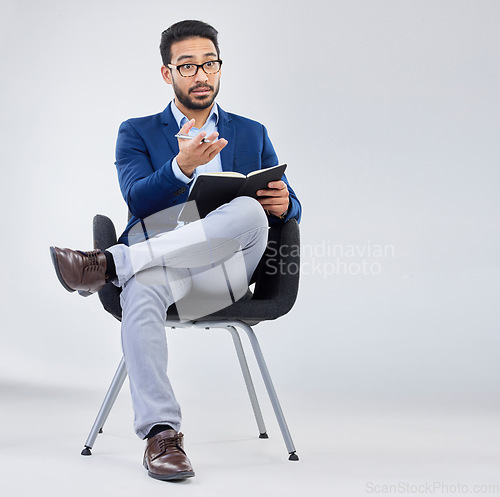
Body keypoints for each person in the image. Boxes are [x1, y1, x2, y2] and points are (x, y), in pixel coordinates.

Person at [50, 20, 301, 481]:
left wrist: (288, 204)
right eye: (187, 65)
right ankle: (161, 434)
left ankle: (109, 264)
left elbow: (289, 203)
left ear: (220, 67)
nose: (201, 74)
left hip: (226, 272)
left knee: (247, 210)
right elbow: (137, 200)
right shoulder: (138, 132)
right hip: (166, 273)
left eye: (209, 63)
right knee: (142, 289)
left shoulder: (251, 132)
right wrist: (180, 167)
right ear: (168, 73)